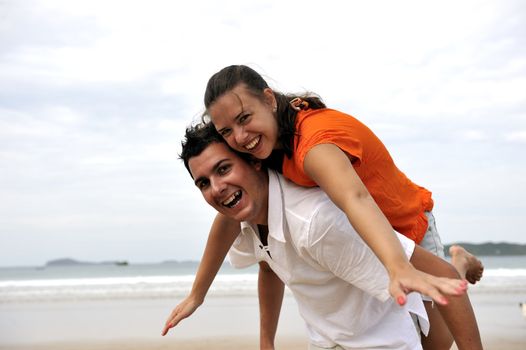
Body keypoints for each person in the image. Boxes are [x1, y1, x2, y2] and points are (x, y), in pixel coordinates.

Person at [180, 64, 483, 348]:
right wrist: (197, 294)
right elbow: (232, 220)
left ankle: (459, 262)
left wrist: (398, 265)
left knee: (437, 339)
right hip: (366, 232)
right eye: (226, 131)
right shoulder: (265, 150)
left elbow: (355, 198)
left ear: (269, 99)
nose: (240, 137)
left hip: (406, 224)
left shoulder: (312, 147)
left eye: (244, 118)